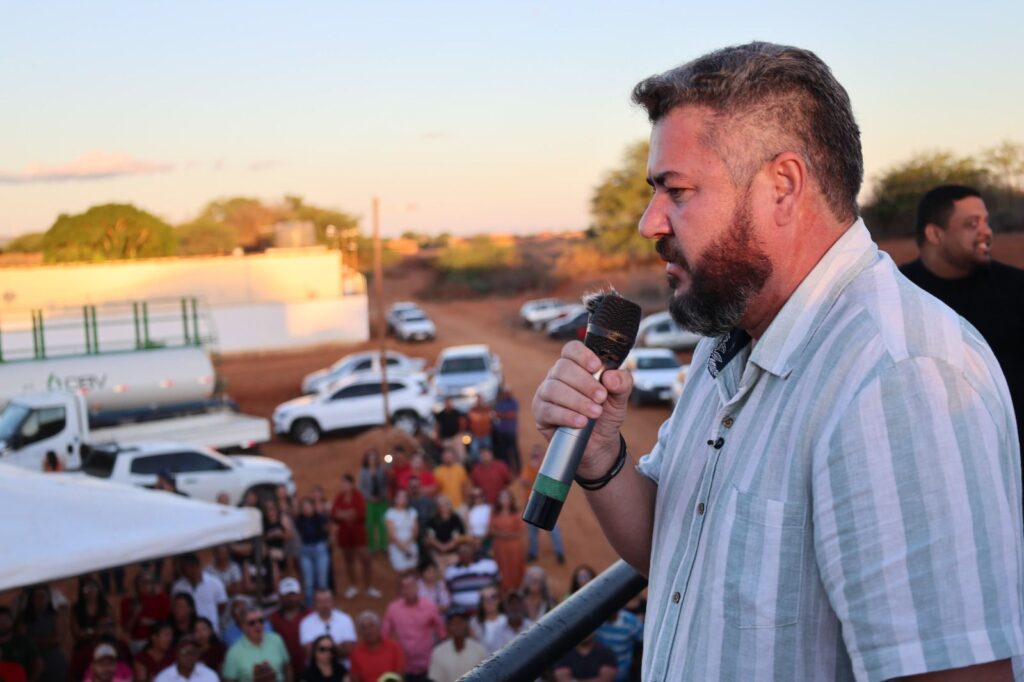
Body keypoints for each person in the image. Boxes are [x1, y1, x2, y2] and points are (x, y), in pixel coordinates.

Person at [531, 41, 1024, 680]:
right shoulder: (730, 337)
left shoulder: (899, 378)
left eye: (676, 190)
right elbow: (679, 551)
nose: (650, 222)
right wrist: (601, 455)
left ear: (783, 186)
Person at [899, 184, 1024, 458]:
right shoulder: (898, 294)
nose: (986, 231)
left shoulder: (1016, 288)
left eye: (986, 222)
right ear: (935, 234)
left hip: (1012, 456)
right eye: (972, 224)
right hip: (937, 456)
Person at [381, 573, 445, 682]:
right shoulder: (393, 609)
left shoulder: (429, 606)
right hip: (405, 667)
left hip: (429, 665)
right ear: (400, 590)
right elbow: (384, 635)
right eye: (404, 587)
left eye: (411, 586)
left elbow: (441, 631)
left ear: (417, 587)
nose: (409, 590)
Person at [330, 474, 378, 600]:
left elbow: (360, 513)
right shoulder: (339, 497)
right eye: (342, 483)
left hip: (358, 533)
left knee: (366, 559)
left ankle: (369, 587)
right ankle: (353, 586)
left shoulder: (358, 496)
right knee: (348, 560)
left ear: (352, 484)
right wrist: (349, 513)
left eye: (346, 483)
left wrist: (342, 514)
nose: (344, 485)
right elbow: (334, 514)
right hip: (345, 534)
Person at [519, 444, 566, 564]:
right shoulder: (529, 468)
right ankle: (533, 553)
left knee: (553, 529)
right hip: (531, 503)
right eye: (534, 455)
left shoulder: (550, 467)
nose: (536, 457)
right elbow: (523, 482)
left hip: (548, 503)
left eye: (538, 455)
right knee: (532, 531)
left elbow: (553, 485)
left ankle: (559, 553)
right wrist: (535, 472)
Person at [221, 606, 291, 682]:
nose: (257, 625)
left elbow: (287, 667)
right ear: (243, 626)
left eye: (261, 621)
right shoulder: (233, 653)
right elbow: (228, 680)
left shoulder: (276, 639)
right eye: (252, 623)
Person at [19, 585, 68, 682]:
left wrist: (34, 641)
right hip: (32, 660)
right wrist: (47, 641)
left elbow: (58, 639)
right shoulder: (24, 617)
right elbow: (22, 640)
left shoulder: (55, 615)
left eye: (43, 596)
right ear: (32, 599)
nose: (40, 599)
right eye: (37, 596)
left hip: (53, 660)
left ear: (48, 599)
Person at [426, 608, 487, 682]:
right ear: (447, 627)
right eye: (453, 623)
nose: (458, 626)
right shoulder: (438, 652)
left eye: (461, 622)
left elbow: (486, 677)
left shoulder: (479, 650)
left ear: (467, 625)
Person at [171, 555, 227, 634]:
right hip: (188, 632)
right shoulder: (178, 587)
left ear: (196, 567)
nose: (184, 573)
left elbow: (222, 606)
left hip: (211, 630)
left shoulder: (215, 583)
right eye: (182, 570)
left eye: (186, 569)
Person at [297, 590, 355, 662]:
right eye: (320, 601)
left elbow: (348, 648)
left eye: (327, 601)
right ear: (314, 603)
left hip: (341, 664)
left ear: (333, 601)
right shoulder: (306, 622)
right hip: (316, 666)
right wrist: (337, 647)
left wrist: (320, 648)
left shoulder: (345, 619)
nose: (324, 605)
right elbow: (309, 651)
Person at [120, 572, 170, 653]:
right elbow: (126, 629)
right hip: (137, 641)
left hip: (157, 640)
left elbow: (165, 623)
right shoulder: (127, 601)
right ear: (136, 584)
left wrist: (151, 622)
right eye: (142, 582)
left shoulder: (162, 599)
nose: (145, 585)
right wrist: (134, 616)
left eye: (148, 582)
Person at [347, 612, 404, 682]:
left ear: (379, 627)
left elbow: (399, 674)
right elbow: (355, 678)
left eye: (371, 626)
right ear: (359, 632)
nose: (368, 631)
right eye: (364, 628)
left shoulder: (393, 647)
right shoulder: (356, 652)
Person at [444, 540, 500, 611]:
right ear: (457, 553)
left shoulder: (489, 564)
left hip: (485, 610)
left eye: (467, 549)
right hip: (460, 611)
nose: (464, 553)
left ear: (473, 550)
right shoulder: (450, 570)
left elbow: (498, 585)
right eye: (461, 551)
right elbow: (448, 591)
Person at [488, 489, 526, 592]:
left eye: (507, 498)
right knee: (501, 566)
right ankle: (504, 589)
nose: (504, 500)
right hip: (500, 546)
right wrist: (501, 534)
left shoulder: (516, 513)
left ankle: (516, 589)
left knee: (515, 566)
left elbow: (521, 530)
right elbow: (490, 530)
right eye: (502, 498)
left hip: (514, 546)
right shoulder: (495, 513)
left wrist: (507, 535)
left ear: (511, 499)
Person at [294, 496, 330, 604]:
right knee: (308, 582)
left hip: (319, 549)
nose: (306, 509)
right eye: (304, 507)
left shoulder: (320, 518)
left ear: (312, 507)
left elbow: (328, 530)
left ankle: (324, 605)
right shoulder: (299, 520)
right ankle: (310, 606)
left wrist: (328, 542)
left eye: (307, 507)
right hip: (305, 550)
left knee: (322, 581)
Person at [267, 580, 307, 675]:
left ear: (299, 595)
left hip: (308, 668)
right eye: (286, 595)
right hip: (284, 668)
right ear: (280, 597)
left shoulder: (310, 614)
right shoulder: (273, 618)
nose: (290, 598)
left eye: (293, 594)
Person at [595, 608, 643, 682]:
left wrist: (637, 661)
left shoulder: (631, 621)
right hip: (600, 672)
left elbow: (644, 641)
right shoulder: (596, 620)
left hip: (622, 671)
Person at [357, 449, 389, 555]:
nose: (372, 460)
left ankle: (383, 545)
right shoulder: (363, 471)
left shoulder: (381, 469)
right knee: (370, 525)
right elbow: (361, 487)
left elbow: (385, 484)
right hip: (369, 502)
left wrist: (382, 495)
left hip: (381, 501)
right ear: (367, 460)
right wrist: (369, 497)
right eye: (370, 458)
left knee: (382, 524)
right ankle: (371, 546)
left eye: (374, 458)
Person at [0, 606, 42, 682]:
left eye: (6, 619)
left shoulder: (24, 641)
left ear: (12, 621)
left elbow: (39, 666)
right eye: (0, 620)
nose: (3, 623)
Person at [152, 635, 218, 682]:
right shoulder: (164, 678)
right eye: (184, 652)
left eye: (193, 652)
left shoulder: (209, 675)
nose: (189, 656)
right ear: (177, 654)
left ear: (198, 655)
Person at [383, 489, 419, 573]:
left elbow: (415, 530)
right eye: (400, 497)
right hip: (396, 546)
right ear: (395, 499)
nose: (402, 499)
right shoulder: (390, 513)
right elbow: (391, 534)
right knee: (401, 572)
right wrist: (403, 547)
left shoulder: (412, 512)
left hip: (410, 544)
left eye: (404, 497)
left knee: (412, 571)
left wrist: (407, 544)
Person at [425, 495, 465, 567]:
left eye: (446, 504)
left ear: (450, 505)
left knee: (453, 561)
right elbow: (430, 537)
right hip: (437, 553)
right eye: (441, 505)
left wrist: (446, 547)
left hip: (453, 552)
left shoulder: (456, 519)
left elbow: (458, 537)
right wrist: (440, 547)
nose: (443, 507)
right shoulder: (432, 520)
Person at [468, 585, 507, 655]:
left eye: (493, 597)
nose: (489, 601)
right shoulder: (474, 623)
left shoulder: (508, 620)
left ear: (499, 600)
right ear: (481, 602)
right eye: (484, 598)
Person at [432, 446, 470, 515]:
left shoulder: (460, 469)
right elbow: (436, 490)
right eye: (446, 456)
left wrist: (466, 503)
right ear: (442, 457)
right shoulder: (438, 471)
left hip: (460, 505)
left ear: (453, 457)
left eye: (450, 456)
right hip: (445, 507)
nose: (448, 458)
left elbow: (465, 487)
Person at [492, 389, 521, 472]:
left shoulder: (514, 402)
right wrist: (505, 415)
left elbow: (512, 415)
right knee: (504, 452)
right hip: (502, 432)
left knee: (514, 450)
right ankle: (508, 470)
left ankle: (518, 469)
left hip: (511, 431)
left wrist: (502, 415)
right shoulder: (500, 403)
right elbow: (497, 414)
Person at [434, 398, 466, 462]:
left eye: (449, 402)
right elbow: (437, 426)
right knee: (448, 455)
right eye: (446, 402)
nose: (448, 404)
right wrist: (437, 437)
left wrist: (461, 433)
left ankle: (460, 466)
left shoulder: (457, 412)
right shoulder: (440, 414)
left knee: (460, 454)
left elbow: (462, 422)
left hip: (456, 437)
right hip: (445, 438)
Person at [465, 397, 494, 464]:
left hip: (486, 435)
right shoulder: (472, 410)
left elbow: (489, 418)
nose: (479, 402)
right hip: (476, 436)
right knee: (475, 452)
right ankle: (478, 466)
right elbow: (471, 418)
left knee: (487, 452)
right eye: (478, 400)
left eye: (480, 400)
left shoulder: (487, 409)